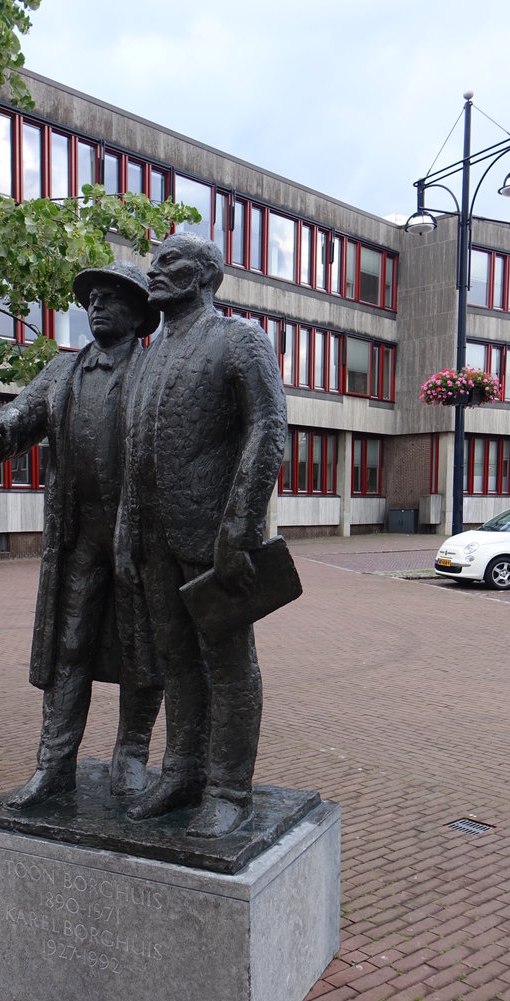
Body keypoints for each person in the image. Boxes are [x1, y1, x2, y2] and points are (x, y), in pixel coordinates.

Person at [117, 233, 288, 838]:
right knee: (175, 661)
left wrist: (239, 528)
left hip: (214, 537)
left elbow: (268, 429)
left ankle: (228, 789)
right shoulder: (148, 352)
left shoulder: (238, 340)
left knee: (228, 662)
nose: (154, 272)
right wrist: (126, 538)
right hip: (154, 539)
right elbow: (134, 456)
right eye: (154, 263)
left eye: (170, 263)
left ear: (205, 276)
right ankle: (183, 771)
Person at [0, 260, 163, 810]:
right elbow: (23, 413)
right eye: (92, 299)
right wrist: (0, 429)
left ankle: (130, 758)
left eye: (110, 297)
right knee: (69, 644)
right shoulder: (63, 371)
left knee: (141, 647)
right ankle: (53, 766)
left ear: (138, 314)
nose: (96, 306)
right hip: (78, 536)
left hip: (137, 538)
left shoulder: (156, 372)